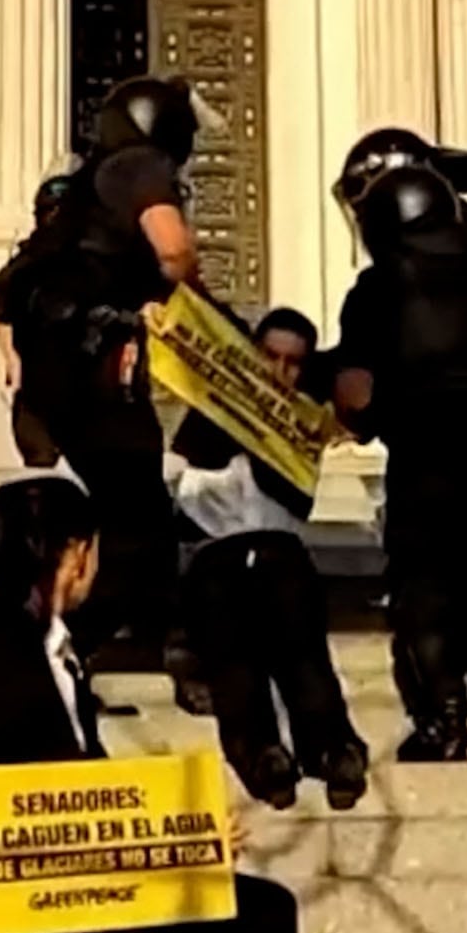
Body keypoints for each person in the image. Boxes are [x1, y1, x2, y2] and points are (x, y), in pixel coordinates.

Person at [0, 476, 302, 933]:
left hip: (74, 891)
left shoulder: (59, 655)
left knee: (245, 911)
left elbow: (90, 801)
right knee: (261, 916)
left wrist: (191, 843)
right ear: (79, 555)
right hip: (2, 912)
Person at [328, 128, 467, 762]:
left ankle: (443, 718)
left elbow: (356, 397)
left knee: (423, 578)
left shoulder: (377, 290)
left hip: (433, 434)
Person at [0, 76, 209, 708]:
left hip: (58, 370)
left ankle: (126, 635)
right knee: (137, 515)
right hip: (98, 366)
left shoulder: (82, 193)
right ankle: (58, 655)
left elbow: (9, 291)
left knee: (130, 510)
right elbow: (173, 249)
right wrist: (193, 301)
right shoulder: (140, 166)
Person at [168, 307, 369, 811]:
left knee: (303, 649)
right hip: (215, 554)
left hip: (280, 551)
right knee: (235, 658)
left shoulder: (304, 416)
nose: (279, 372)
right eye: (268, 357)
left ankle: (334, 750)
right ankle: (263, 757)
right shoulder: (210, 411)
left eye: (292, 363)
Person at [0, 172, 76, 467]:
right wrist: (13, 362)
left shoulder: (96, 259)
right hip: (38, 383)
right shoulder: (26, 264)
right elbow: (3, 312)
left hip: (86, 384)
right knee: (40, 461)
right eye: (52, 212)